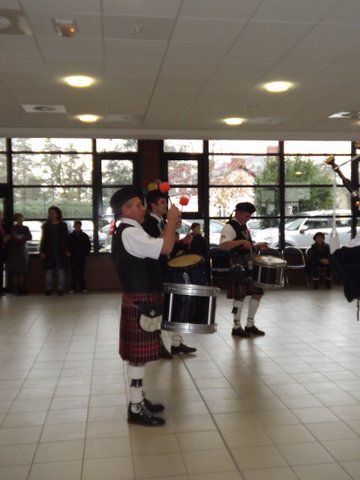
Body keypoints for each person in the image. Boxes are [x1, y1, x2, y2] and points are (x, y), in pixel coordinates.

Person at [110, 186, 180, 426]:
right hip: (140, 300)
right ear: (125, 210)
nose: (143, 208)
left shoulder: (132, 230)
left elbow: (160, 244)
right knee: (138, 358)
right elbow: (166, 248)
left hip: (142, 298)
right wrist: (170, 222)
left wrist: (169, 227)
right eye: (138, 204)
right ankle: (136, 408)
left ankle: (138, 399)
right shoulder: (130, 233)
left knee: (139, 358)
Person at [142, 189, 197, 358]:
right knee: (160, 308)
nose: (166, 205)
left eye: (166, 202)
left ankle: (176, 342)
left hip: (166, 269)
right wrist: (170, 226)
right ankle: (160, 345)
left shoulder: (162, 222)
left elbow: (168, 247)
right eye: (162, 202)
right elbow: (158, 245)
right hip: (154, 271)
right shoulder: (149, 223)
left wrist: (181, 243)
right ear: (153, 205)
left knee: (174, 305)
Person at [219, 202, 268, 337]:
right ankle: (236, 326)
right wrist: (241, 242)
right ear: (238, 213)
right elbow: (223, 246)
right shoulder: (229, 226)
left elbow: (246, 245)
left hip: (250, 264)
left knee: (258, 293)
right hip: (238, 265)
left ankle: (250, 324)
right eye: (247, 216)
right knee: (239, 296)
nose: (249, 218)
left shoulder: (243, 226)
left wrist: (257, 246)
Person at [39, 206, 69, 296]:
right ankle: (49, 288)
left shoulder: (63, 225)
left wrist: (67, 250)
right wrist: (41, 251)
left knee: (61, 271)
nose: (51, 215)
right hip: (48, 251)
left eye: (53, 213)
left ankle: (60, 289)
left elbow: (66, 239)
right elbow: (43, 239)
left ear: (57, 214)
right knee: (48, 272)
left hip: (61, 251)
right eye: (50, 213)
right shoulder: (46, 225)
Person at [7, 213, 32, 295]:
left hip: (23, 251)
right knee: (15, 271)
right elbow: (14, 238)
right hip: (14, 252)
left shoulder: (25, 227)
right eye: (19, 218)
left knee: (22, 271)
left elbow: (30, 237)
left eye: (22, 217)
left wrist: (21, 238)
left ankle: (22, 288)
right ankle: (17, 288)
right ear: (16, 219)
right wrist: (22, 238)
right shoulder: (13, 228)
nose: (21, 219)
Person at [68, 220, 91, 294]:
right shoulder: (70, 236)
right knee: (73, 274)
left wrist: (86, 253)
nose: (77, 227)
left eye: (79, 226)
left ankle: (83, 288)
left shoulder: (84, 236)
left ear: (80, 226)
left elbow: (88, 246)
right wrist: (68, 253)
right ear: (74, 226)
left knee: (81, 273)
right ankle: (72, 288)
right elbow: (66, 246)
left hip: (81, 257)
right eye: (76, 226)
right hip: (72, 257)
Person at [0, 211, 9, 296]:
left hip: (2, 251)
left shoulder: (3, 225)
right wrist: (4, 240)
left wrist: (6, 238)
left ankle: (1, 290)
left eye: (1, 215)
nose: (1, 216)